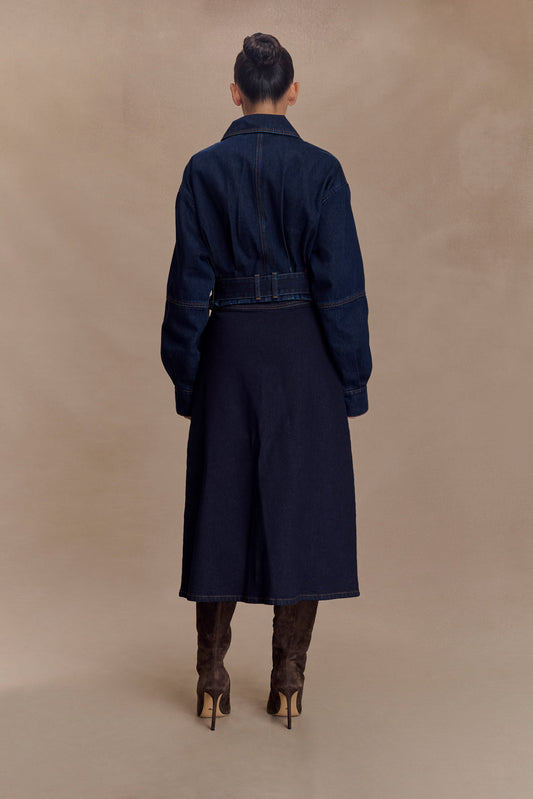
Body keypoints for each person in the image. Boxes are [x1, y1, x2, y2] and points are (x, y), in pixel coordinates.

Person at [160, 32, 372, 731]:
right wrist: (352, 379)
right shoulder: (322, 171)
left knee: (219, 507)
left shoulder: (202, 170)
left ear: (234, 92)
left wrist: (189, 377)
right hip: (303, 356)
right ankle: (288, 682)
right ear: (293, 91)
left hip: (229, 352)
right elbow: (342, 289)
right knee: (301, 508)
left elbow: (187, 288)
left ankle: (210, 679)